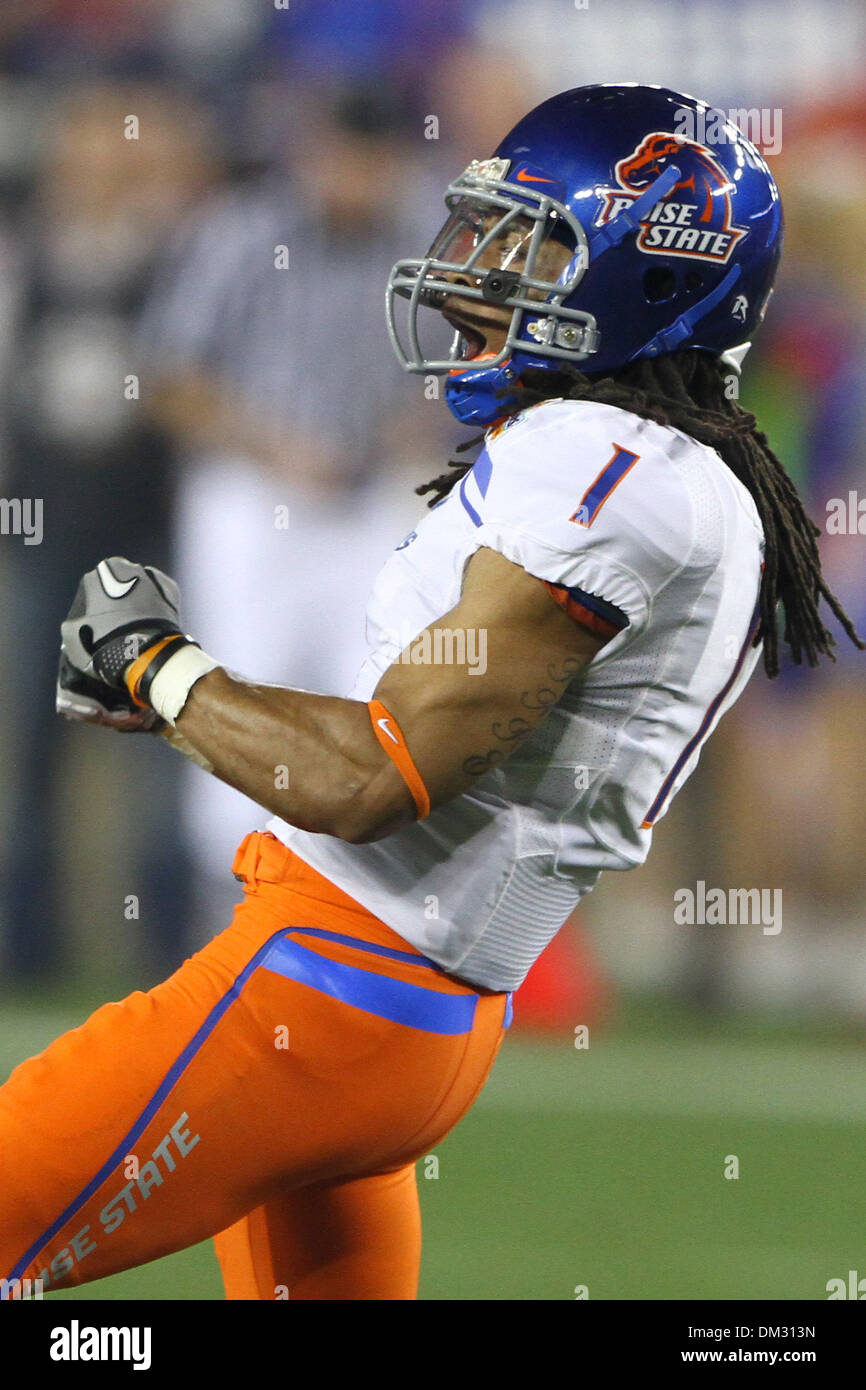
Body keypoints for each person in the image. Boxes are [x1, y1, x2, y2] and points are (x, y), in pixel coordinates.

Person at [2, 84, 861, 1302]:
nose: (485, 273)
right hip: (409, 1008)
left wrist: (162, 665)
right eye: (489, 230)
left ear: (657, 275)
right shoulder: (673, 470)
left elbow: (375, 776)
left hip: (328, 989)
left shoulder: (605, 466)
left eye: (537, 244)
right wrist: (187, 703)